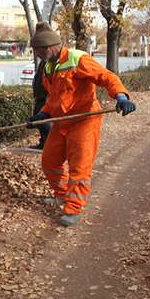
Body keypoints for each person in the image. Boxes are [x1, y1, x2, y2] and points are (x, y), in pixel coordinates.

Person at [26, 22, 136, 227]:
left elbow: (107, 77)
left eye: (38, 50)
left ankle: (73, 208)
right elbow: (54, 97)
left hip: (85, 119)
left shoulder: (78, 59)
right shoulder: (49, 66)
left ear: (49, 47)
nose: (37, 55)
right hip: (62, 121)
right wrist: (41, 114)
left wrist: (121, 97)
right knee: (49, 161)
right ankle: (62, 195)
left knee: (80, 167)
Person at [27, 57, 51, 150]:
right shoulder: (43, 62)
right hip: (40, 96)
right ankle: (44, 141)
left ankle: (48, 141)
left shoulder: (48, 62)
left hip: (45, 97)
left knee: (42, 120)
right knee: (38, 118)